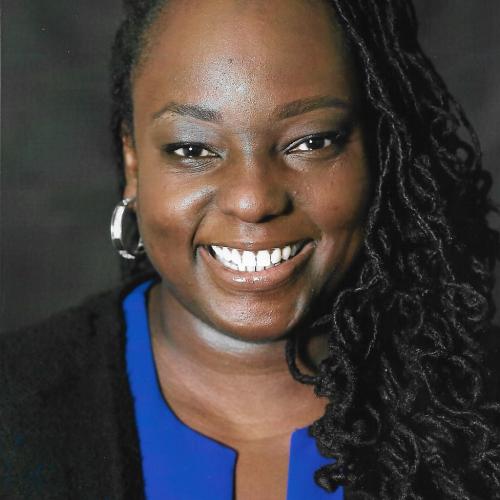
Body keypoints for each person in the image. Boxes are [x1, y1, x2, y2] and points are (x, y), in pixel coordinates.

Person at [1, 0, 500, 498]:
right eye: (193, 149)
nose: (253, 200)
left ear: (380, 149)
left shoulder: (480, 408)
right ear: (134, 161)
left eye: (311, 142)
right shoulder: (16, 403)